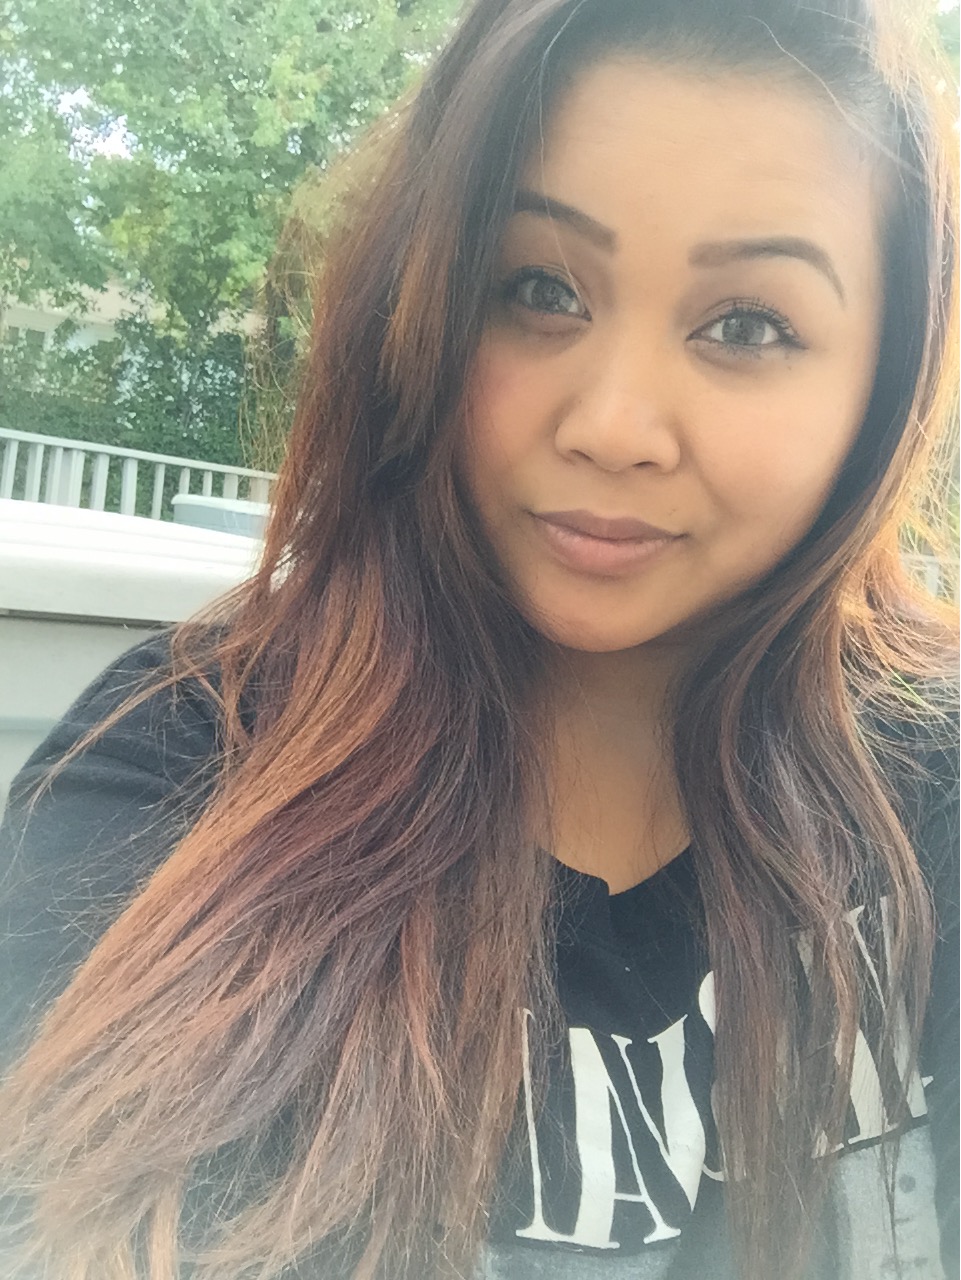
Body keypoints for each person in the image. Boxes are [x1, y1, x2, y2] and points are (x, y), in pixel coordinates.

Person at [0, 0, 957, 1277]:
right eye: (539, 290)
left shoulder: (931, 777)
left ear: (880, 385)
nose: (612, 425)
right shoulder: (181, 770)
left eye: (745, 324)